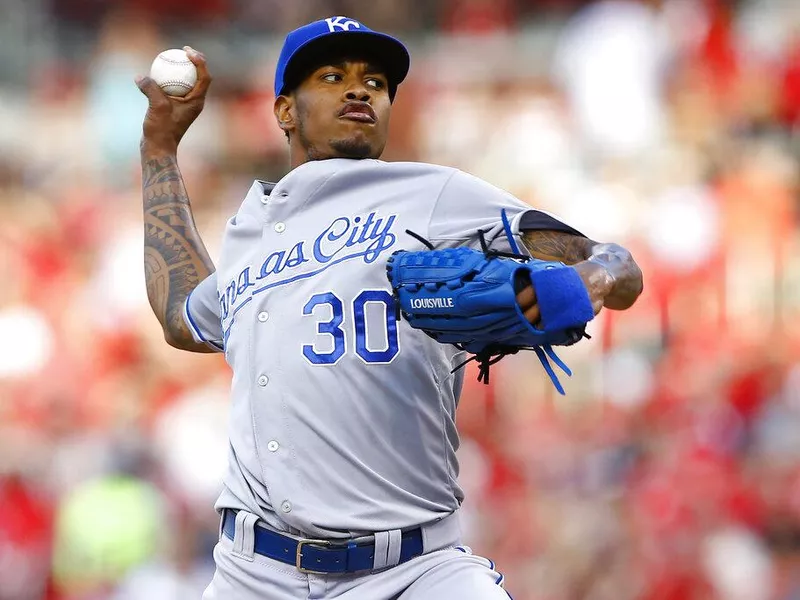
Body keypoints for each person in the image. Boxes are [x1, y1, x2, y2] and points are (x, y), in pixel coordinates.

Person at [135, 16, 643, 600]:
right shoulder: (251, 231)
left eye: (375, 82)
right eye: (332, 76)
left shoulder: (434, 194)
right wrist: (159, 148)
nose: (359, 90)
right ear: (285, 111)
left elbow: (614, 264)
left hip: (414, 568)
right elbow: (181, 315)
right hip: (255, 572)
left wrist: (588, 280)